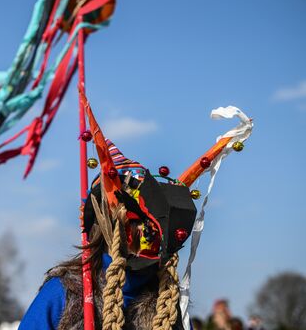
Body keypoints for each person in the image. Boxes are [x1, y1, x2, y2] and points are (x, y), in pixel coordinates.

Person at [20, 140, 198, 329]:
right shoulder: (63, 293)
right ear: (107, 225)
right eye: (136, 219)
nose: (150, 230)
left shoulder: (169, 303)